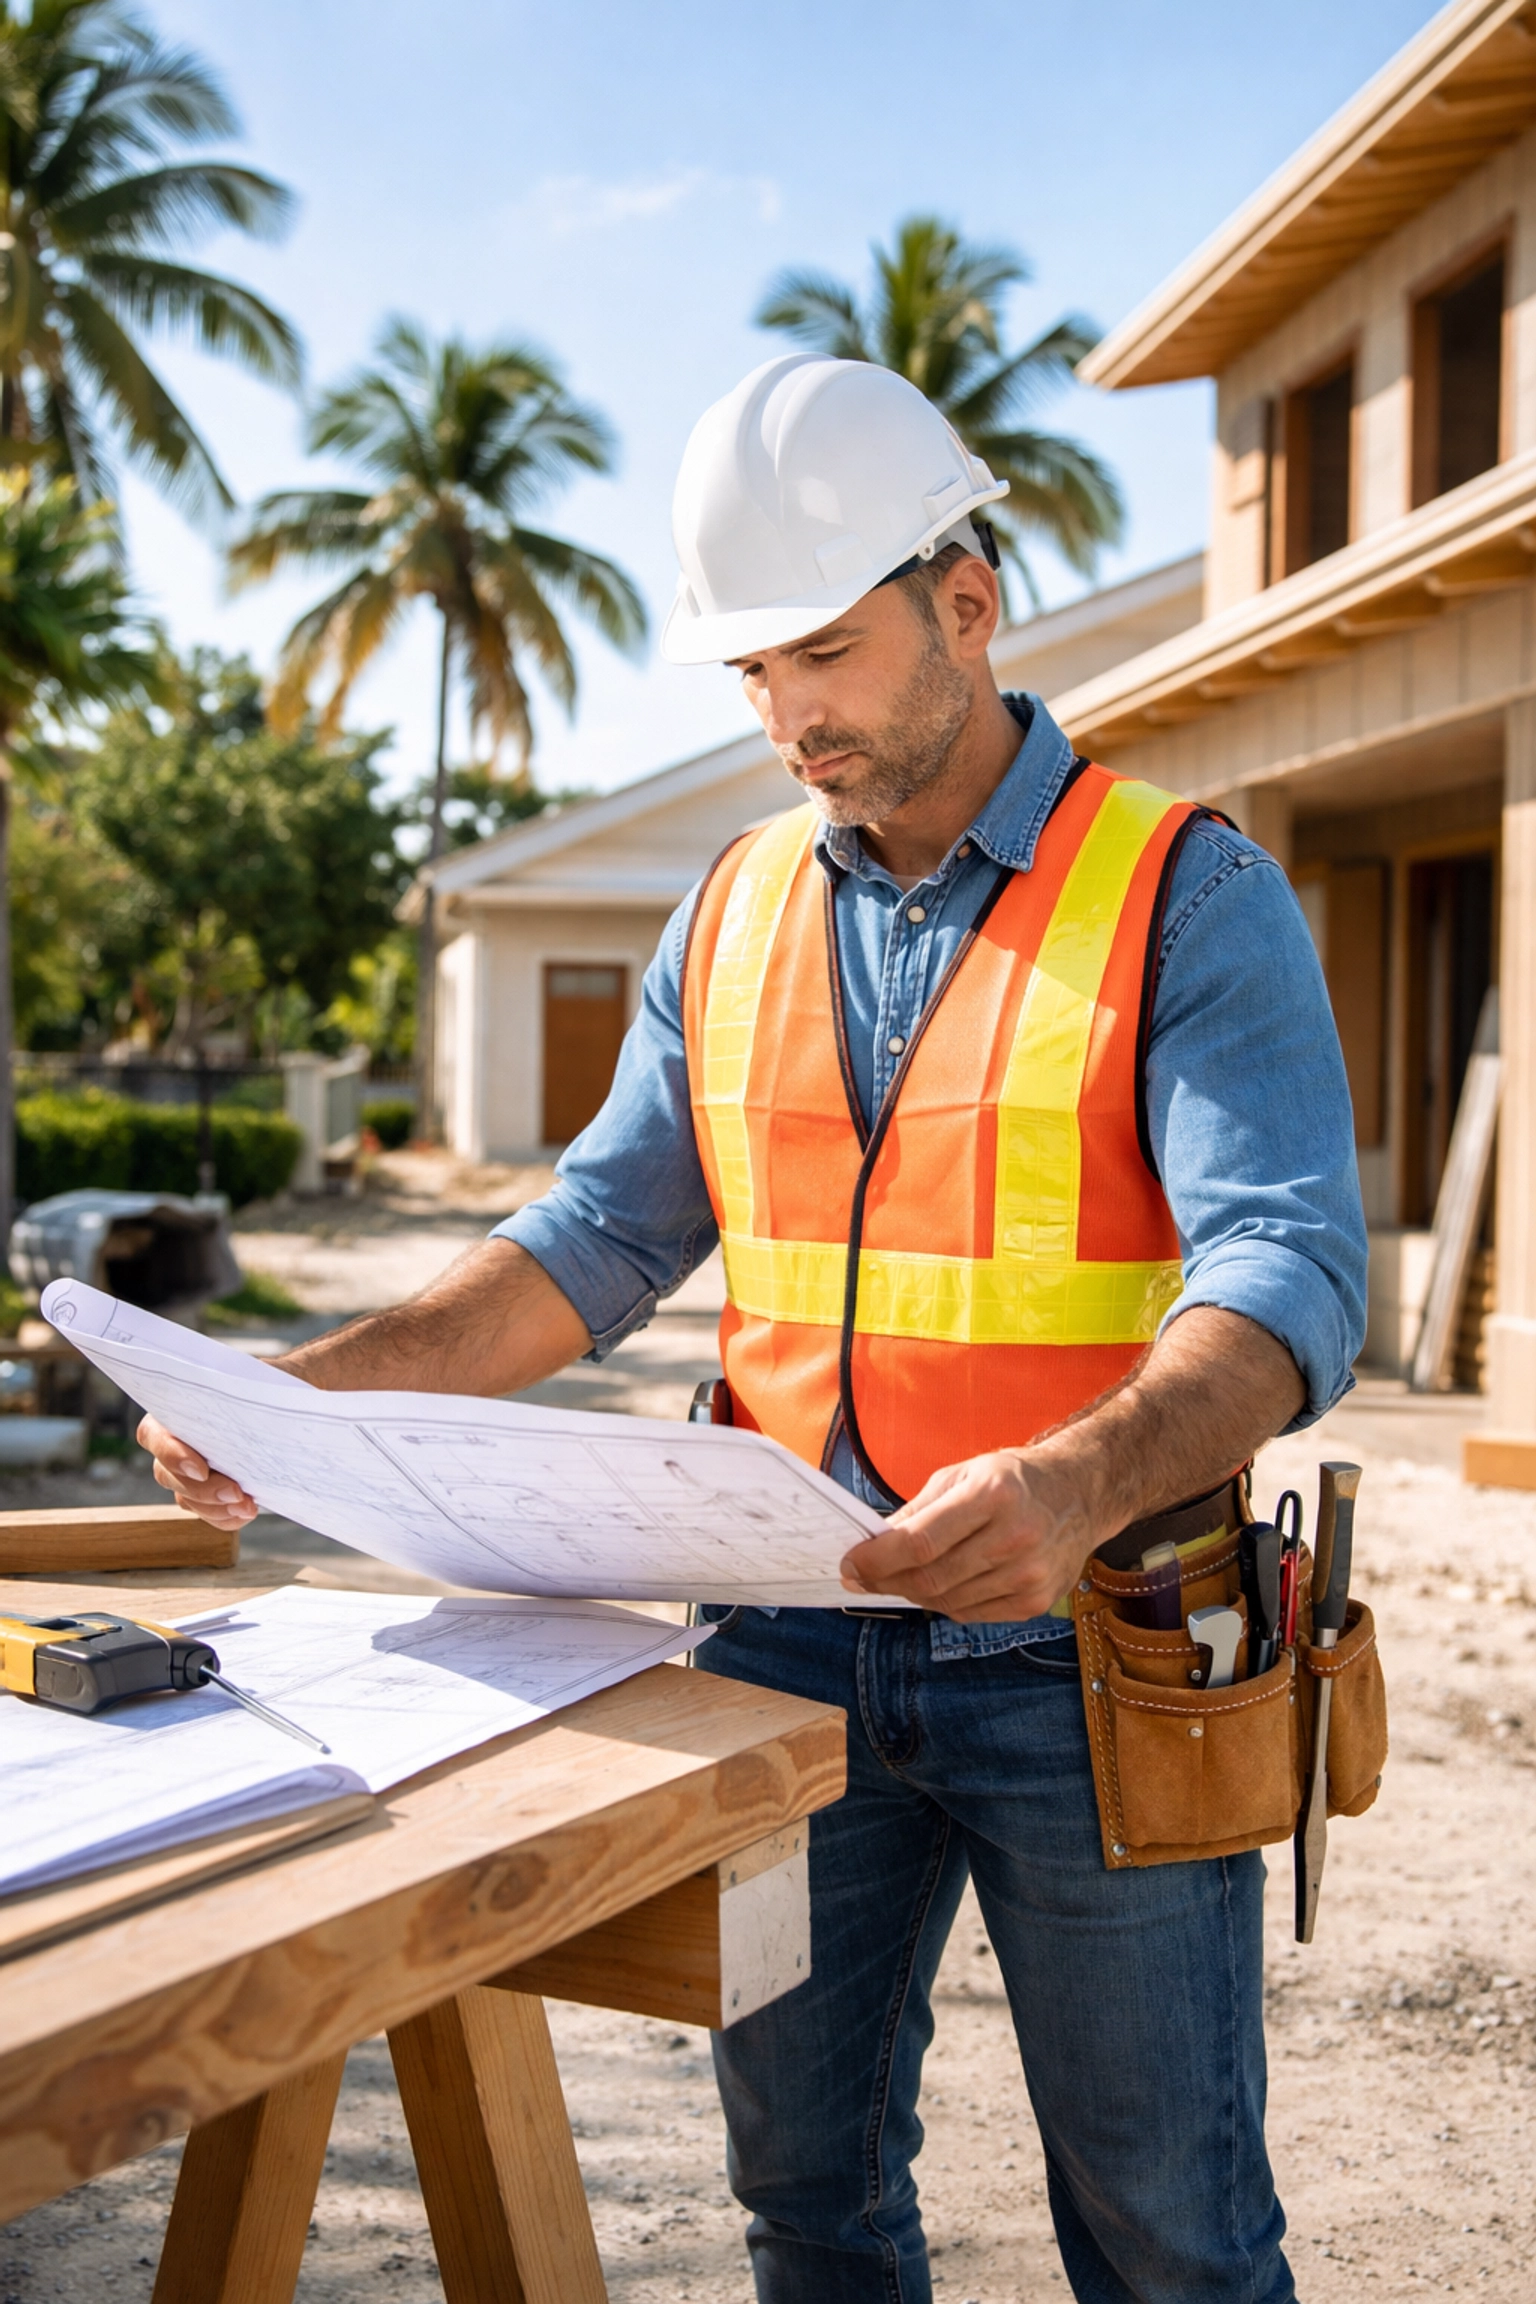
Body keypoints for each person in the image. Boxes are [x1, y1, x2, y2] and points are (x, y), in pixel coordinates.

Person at [142, 354, 1366, 2304]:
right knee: (803, 2198)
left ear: (965, 605)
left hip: (1093, 1647)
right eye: (750, 673)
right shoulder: (725, 920)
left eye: (823, 650)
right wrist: (306, 1392)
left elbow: (1293, 1287)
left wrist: (1072, 1479)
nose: (790, 714)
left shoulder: (1185, 897)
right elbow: (590, 1249)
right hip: (786, 1645)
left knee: (1170, 2242)